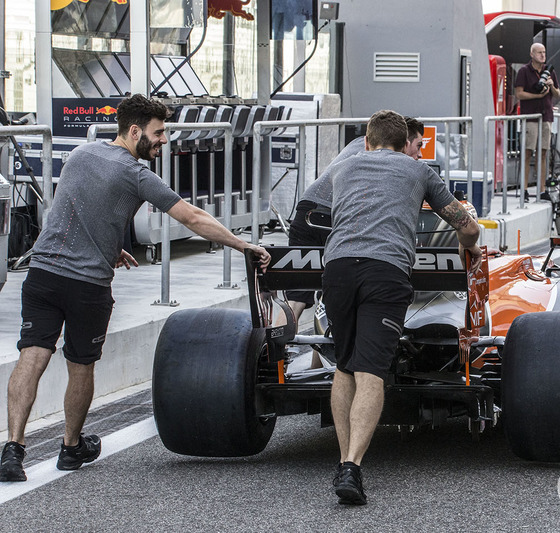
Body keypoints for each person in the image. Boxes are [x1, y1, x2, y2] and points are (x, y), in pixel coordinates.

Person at [0, 94, 271, 482]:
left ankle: (13, 449)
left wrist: (109, 247)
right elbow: (192, 217)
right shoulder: (136, 174)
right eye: (158, 133)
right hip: (86, 286)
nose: (163, 140)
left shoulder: (80, 154)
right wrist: (244, 244)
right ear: (134, 131)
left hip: (42, 274)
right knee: (80, 365)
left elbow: (73, 210)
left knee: (33, 355)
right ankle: (71, 447)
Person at [323, 110, 481, 505]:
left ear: (368, 141)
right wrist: (471, 245)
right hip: (385, 271)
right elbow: (464, 224)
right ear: (403, 142)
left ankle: (343, 459)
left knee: (344, 366)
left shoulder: (345, 167)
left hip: (337, 268)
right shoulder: (419, 171)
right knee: (371, 371)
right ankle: (351, 468)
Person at [285, 117, 426, 322]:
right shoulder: (385, 159)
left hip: (305, 210)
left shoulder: (360, 144)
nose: (419, 154)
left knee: (297, 299)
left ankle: (275, 352)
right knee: (337, 295)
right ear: (404, 141)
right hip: (331, 217)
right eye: (418, 146)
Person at [514, 42, 560, 201]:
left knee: (543, 153)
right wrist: (538, 96)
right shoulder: (524, 71)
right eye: (539, 53)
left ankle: (542, 190)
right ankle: (524, 189)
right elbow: (519, 94)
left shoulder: (549, 71)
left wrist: (551, 86)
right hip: (531, 117)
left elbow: (557, 94)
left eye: (544, 52)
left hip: (546, 116)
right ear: (532, 54)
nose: (543, 55)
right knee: (527, 153)